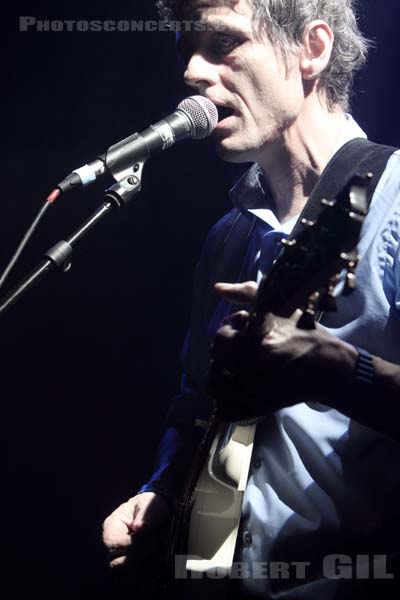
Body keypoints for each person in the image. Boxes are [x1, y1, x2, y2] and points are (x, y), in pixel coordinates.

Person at [103, 0, 400, 597]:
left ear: (311, 50)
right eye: (187, 46)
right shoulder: (229, 233)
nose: (190, 70)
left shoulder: (395, 207)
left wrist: (339, 368)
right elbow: (194, 402)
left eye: (222, 44)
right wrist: (160, 491)